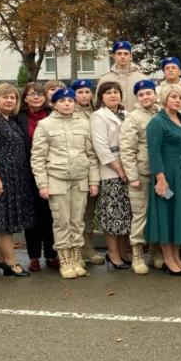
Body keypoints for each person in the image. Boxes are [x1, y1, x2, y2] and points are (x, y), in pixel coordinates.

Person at [31, 88, 100, 279]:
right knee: (62, 222)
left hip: (80, 179)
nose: (67, 104)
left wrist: (94, 181)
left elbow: (92, 155)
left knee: (77, 221)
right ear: (54, 104)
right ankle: (65, 260)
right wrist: (42, 184)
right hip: (57, 179)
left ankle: (77, 257)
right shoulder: (44, 125)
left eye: (70, 100)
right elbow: (38, 158)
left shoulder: (85, 123)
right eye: (62, 101)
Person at [146, 84, 181, 275]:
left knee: (179, 217)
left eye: (180, 97)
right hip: (168, 176)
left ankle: (177, 257)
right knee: (167, 216)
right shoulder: (157, 122)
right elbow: (154, 153)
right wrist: (161, 180)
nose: (177, 100)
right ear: (165, 99)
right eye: (173, 97)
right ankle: (169, 260)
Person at [0, 83, 33, 277]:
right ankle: (11, 263)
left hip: (15, 177)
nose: (10, 100)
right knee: (3, 222)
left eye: (13, 98)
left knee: (8, 220)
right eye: (5, 97)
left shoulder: (9, 120)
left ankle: (0, 260)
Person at [14, 81, 57, 272]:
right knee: (32, 216)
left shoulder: (52, 115)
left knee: (49, 214)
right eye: (32, 94)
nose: (36, 97)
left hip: (50, 171)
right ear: (25, 98)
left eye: (40, 94)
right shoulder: (18, 118)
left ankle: (51, 254)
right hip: (26, 173)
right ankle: (33, 256)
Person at [91, 81, 134, 269]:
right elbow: (101, 148)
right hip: (111, 171)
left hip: (129, 168)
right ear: (101, 97)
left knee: (125, 216)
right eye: (108, 93)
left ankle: (124, 252)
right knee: (112, 216)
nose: (113, 95)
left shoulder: (126, 114)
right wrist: (119, 170)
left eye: (116, 92)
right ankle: (113, 254)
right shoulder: (98, 116)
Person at [120, 80, 161, 274]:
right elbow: (127, 150)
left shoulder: (163, 114)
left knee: (159, 214)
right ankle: (137, 255)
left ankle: (155, 252)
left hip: (161, 175)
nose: (146, 97)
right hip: (142, 174)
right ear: (137, 98)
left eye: (149, 93)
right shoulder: (133, 118)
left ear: (155, 94)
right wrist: (133, 176)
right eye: (142, 94)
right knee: (141, 215)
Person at [71, 78, 105, 265]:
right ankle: (78, 250)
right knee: (77, 213)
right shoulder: (70, 111)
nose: (84, 95)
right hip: (79, 167)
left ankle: (88, 247)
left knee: (89, 212)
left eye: (87, 91)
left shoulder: (95, 112)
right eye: (80, 92)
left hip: (96, 167)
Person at [98, 40, 148, 111]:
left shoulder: (142, 78)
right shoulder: (105, 79)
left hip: (136, 120)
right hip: (111, 120)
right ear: (113, 56)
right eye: (119, 53)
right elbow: (99, 103)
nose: (122, 56)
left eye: (126, 54)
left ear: (131, 56)